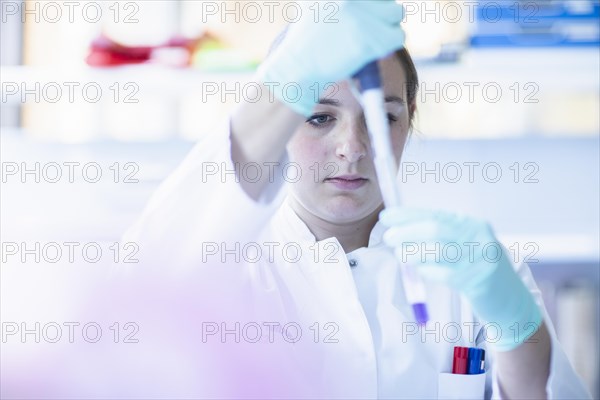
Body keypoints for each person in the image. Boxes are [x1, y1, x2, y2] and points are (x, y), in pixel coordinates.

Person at [125, 1, 591, 399]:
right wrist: (286, 78)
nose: (353, 147)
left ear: (410, 120)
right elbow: (138, 302)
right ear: (281, 125)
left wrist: (517, 327)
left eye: (380, 116)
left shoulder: (474, 268)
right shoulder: (228, 262)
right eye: (319, 118)